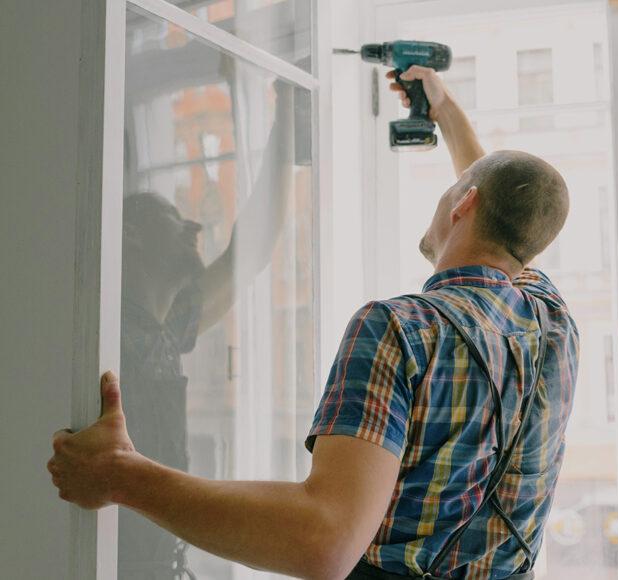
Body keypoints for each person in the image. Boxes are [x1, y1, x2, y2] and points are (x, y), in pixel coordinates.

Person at [48, 65, 579, 579]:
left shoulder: (401, 330)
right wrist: (443, 111)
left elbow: (324, 541)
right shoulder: (554, 324)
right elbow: (510, 217)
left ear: (463, 204)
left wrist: (120, 476)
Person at [117, 78, 295, 578]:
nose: (194, 227)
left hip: (157, 559)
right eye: (174, 218)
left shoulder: (169, 325)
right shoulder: (103, 333)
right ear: (131, 235)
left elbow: (250, 250)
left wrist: (285, 126)